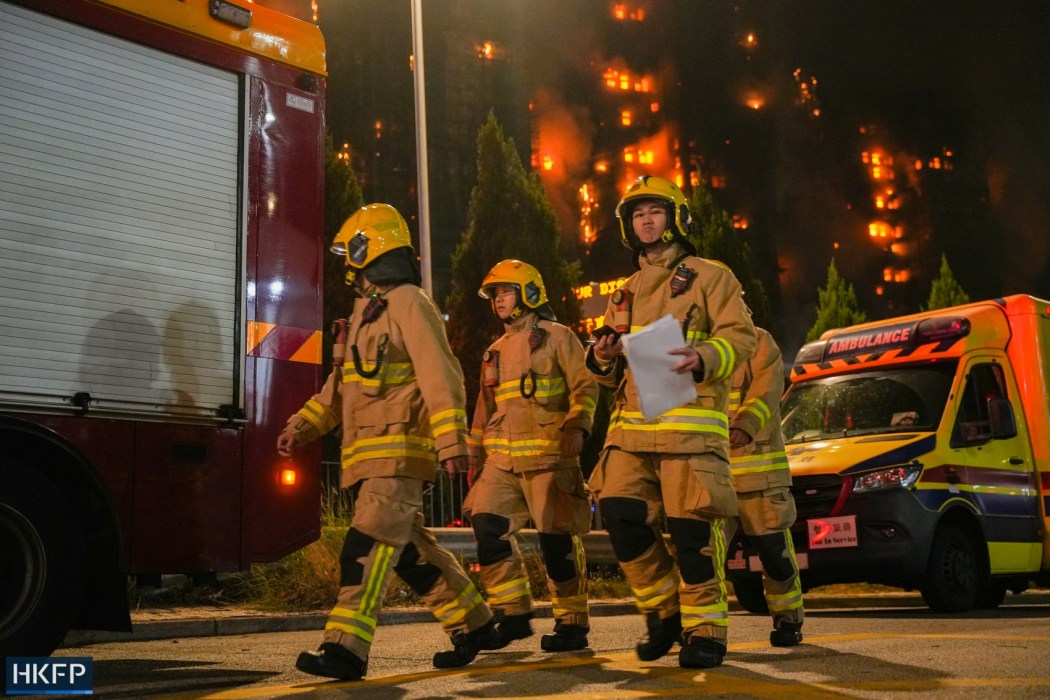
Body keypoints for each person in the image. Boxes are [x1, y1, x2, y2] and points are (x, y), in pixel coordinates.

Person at [277, 203, 495, 681]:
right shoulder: (364, 315)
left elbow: (441, 373)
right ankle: (475, 623)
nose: (346, 263)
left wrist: (452, 440)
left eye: (349, 252)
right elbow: (340, 390)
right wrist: (302, 426)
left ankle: (346, 649)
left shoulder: (410, 302)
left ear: (367, 248)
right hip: (373, 461)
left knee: (365, 547)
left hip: (398, 455)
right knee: (413, 555)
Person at [587, 175, 756, 669]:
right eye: (637, 214)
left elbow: (741, 337)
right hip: (631, 430)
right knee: (618, 514)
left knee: (692, 537)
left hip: (689, 428)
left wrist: (704, 355)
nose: (645, 220)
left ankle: (705, 632)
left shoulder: (711, 276)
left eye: (655, 212)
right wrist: (601, 355)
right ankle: (664, 613)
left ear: (677, 218)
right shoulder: (625, 291)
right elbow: (607, 370)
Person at [464, 260, 599, 652]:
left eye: (505, 291)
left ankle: (572, 623)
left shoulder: (559, 337)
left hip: (550, 458)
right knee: (487, 527)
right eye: (494, 294)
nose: (498, 300)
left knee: (556, 546)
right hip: (502, 463)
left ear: (529, 293)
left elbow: (585, 387)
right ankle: (513, 615)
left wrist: (577, 426)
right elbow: (483, 409)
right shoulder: (494, 352)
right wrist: (475, 457)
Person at [727, 326, 805, 646]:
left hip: (760, 476)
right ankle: (700, 630)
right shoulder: (693, 343)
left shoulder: (759, 341)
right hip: (711, 476)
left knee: (776, 556)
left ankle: (789, 619)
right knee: (700, 557)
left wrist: (746, 423)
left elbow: (767, 390)